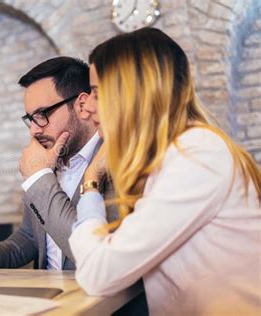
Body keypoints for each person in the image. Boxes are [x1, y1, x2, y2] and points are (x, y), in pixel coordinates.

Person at [69, 27, 261, 315]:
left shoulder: (197, 156)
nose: (89, 107)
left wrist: (91, 183)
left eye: (97, 92)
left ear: (131, 93)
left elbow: (99, 273)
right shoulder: (176, 155)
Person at [0, 56, 117, 270]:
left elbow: (92, 252)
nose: (34, 130)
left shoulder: (113, 162)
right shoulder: (48, 160)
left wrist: (38, 177)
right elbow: (30, 238)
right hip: (50, 294)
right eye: (30, 119)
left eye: (42, 114)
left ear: (82, 105)